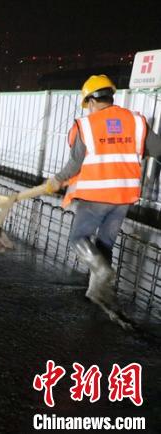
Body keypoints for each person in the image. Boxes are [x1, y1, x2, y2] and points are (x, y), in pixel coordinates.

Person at [44, 75, 161, 312]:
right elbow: (157, 149)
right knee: (105, 244)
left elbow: (76, 163)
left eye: (87, 104)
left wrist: (57, 180)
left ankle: (101, 274)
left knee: (78, 238)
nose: (87, 109)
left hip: (96, 194)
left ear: (91, 101)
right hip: (124, 196)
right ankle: (99, 294)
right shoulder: (136, 122)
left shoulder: (87, 125)